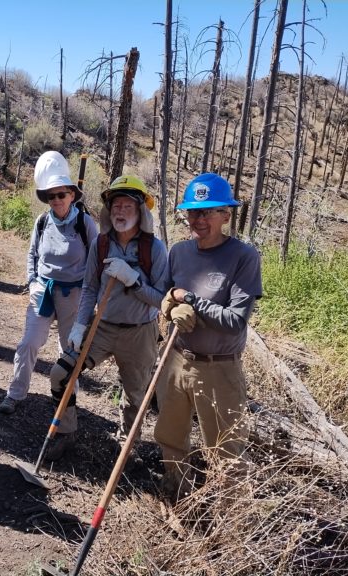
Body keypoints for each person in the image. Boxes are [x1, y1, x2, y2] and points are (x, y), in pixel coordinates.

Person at [154, 172, 262, 499]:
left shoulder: (243, 257)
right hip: (175, 359)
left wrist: (190, 300)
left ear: (226, 214)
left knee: (227, 449)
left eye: (208, 212)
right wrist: (170, 307)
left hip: (219, 368)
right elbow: (167, 296)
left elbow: (234, 321)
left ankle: (232, 522)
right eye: (193, 212)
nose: (198, 219)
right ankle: (176, 494)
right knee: (170, 436)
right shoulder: (179, 252)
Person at [47, 175, 170, 460]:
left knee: (135, 397)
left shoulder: (155, 249)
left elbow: (161, 300)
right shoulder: (100, 245)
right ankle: (66, 433)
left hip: (140, 332)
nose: (120, 212)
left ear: (141, 211)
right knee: (61, 373)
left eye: (128, 206)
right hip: (101, 327)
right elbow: (90, 287)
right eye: (116, 205)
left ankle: (129, 447)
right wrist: (80, 324)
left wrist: (133, 280)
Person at [0, 151, 97, 416]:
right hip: (43, 292)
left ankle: (66, 404)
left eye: (61, 195)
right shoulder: (42, 222)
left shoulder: (85, 223)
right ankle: (15, 393)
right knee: (29, 343)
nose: (56, 200)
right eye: (51, 196)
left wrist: (90, 299)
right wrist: (32, 282)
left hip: (74, 296)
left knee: (69, 350)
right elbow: (32, 254)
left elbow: (94, 264)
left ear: (72, 195)